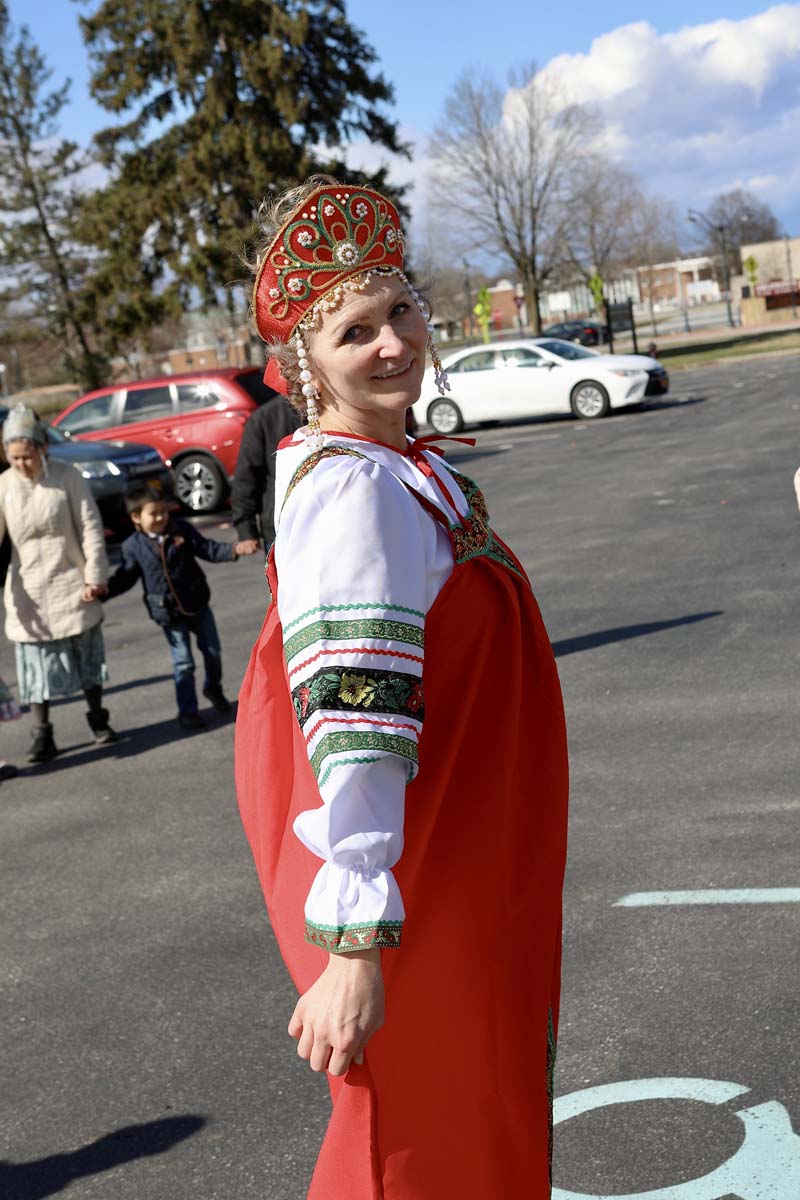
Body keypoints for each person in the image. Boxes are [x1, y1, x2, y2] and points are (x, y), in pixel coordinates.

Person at [235, 177, 569, 1199]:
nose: (392, 344)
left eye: (400, 311)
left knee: (473, 1116)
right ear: (306, 365)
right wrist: (354, 945)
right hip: (420, 888)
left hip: (466, 853)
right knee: (427, 1141)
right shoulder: (350, 490)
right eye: (354, 332)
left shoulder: (394, 464)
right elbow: (356, 720)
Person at [0, 405, 114, 762]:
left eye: (27, 456)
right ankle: (42, 735)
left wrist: (94, 576)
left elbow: (91, 527)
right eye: (14, 458)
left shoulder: (68, 476)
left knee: (86, 656)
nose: (21, 464)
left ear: (42, 447)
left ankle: (98, 720)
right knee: (36, 664)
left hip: (71, 581)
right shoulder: (3, 485)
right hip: (28, 587)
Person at [105, 484, 257, 729]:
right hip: (168, 613)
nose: (161, 518)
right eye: (153, 514)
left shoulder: (181, 530)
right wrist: (104, 591)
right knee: (183, 662)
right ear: (136, 517)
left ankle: (213, 688)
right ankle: (187, 711)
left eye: (164, 512)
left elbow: (207, 548)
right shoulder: (132, 546)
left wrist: (233, 549)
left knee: (213, 651)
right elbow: (125, 577)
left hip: (198, 604)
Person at [231, 389, 301, 551]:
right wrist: (246, 529)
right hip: (280, 525)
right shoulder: (263, 418)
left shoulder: (329, 412)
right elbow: (247, 477)